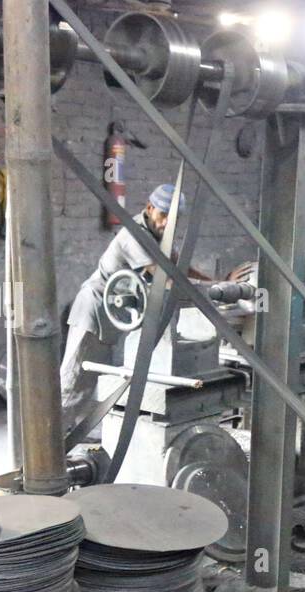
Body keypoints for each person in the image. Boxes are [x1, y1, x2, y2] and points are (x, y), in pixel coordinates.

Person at [59, 183, 206, 433]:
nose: (167, 223)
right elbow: (162, 278)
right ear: (149, 208)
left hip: (113, 316)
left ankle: (67, 433)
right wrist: (205, 292)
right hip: (95, 308)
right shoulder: (133, 234)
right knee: (75, 377)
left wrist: (221, 282)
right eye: (163, 216)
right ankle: (50, 442)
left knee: (88, 380)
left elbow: (180, 267)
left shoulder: (159, 235)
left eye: (174, 219)